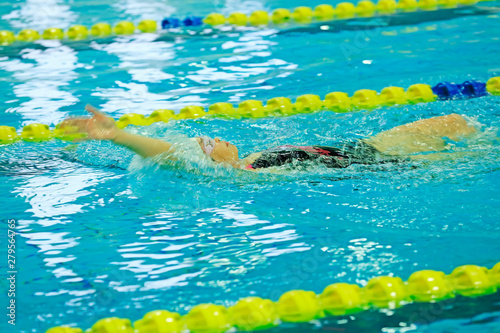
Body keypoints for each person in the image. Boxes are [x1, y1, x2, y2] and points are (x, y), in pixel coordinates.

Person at [59, 105, 477, 171]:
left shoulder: (252, 159)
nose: (212, 139)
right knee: (468, 140)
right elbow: (167, 155)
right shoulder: (246, 175)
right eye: (209, 146)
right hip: (380, 163)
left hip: (365, 146)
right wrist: (117, 136)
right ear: (216, 163)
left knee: (457, 119)